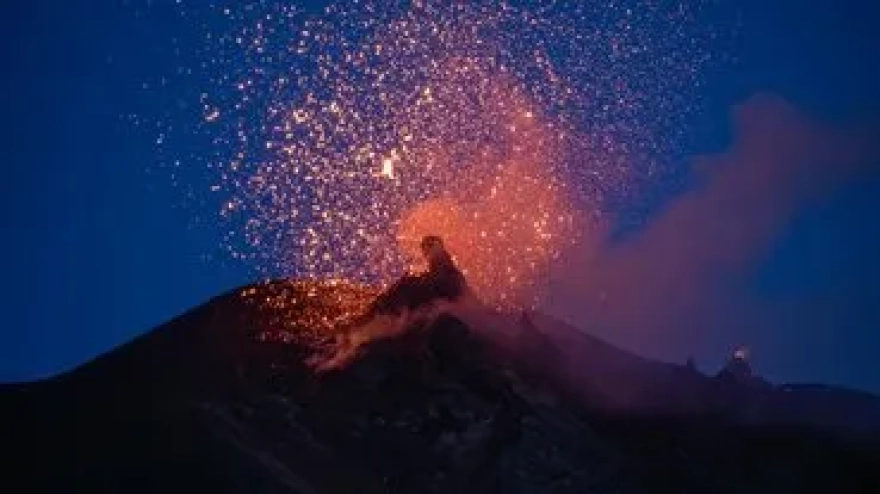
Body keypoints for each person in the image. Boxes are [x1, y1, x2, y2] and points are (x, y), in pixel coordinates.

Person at [364, 235, 466, 317]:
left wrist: (416, 280)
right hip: (446, 301)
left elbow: (438, 280)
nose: (424, 252)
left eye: (427, 247)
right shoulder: (442, 263)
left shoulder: (442, 263)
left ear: (434, 246)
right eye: (424, 248)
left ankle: (380, 315)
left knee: (405, 285)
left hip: (445, 301)